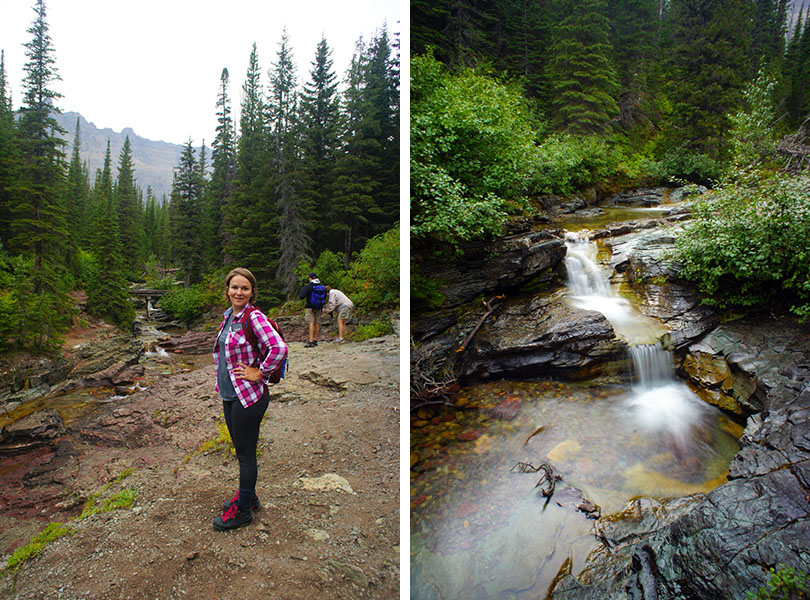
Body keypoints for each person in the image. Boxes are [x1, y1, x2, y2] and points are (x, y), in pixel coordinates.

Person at [212, 267, 288, 531]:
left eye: (244, 288)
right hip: (230, 394)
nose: (239, 292)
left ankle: (243, 510)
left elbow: (278, 348)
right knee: (242, 451)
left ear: (252, 292)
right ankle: (250, 497)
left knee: (245, 455)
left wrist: (261, 372)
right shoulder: (229, 317)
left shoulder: (253, 317)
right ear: (228, 290)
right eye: (234, 287)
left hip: (249, 397)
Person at [298, 272, 325, 347]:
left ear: (310, 278)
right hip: (319, 307)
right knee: (317, 323)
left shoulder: (308, 286)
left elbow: (301, 296)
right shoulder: (321, 286)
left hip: (310, 307)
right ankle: (316, 340)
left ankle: (311, 341)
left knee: (311, 323)